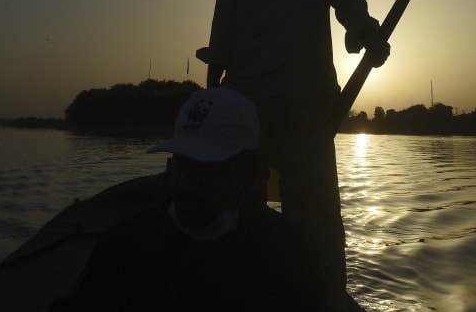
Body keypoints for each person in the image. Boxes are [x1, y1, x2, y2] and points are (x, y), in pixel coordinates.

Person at [204, 0, 390, 309]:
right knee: (241, 205)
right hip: (246, 100)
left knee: (318, 214)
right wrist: (212, 100)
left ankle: (323, 296)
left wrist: (368, 35)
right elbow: (221, 29)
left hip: (309, 102)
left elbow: (352, 9)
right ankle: (239, 291)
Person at [48, 87, 333, 311]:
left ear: (249, 173)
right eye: (183, 164)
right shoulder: (123, 249)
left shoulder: (289, 257)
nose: (187, 183)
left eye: (208, 168)